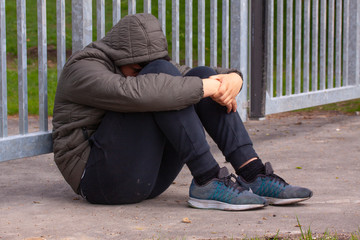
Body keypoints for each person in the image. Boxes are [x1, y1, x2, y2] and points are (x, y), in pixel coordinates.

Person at [52, 13, 312, 211]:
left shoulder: (144, 62)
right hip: (99, 181)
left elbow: (189, 80)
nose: (142, 72)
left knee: (198, 75)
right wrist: (206, 87)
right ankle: (208, 179)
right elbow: (135, 92)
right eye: (137, 69)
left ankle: (252, 173)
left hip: (148, 179)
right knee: (164, 83)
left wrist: (232, 79)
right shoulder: (83, 68)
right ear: (121, 57)